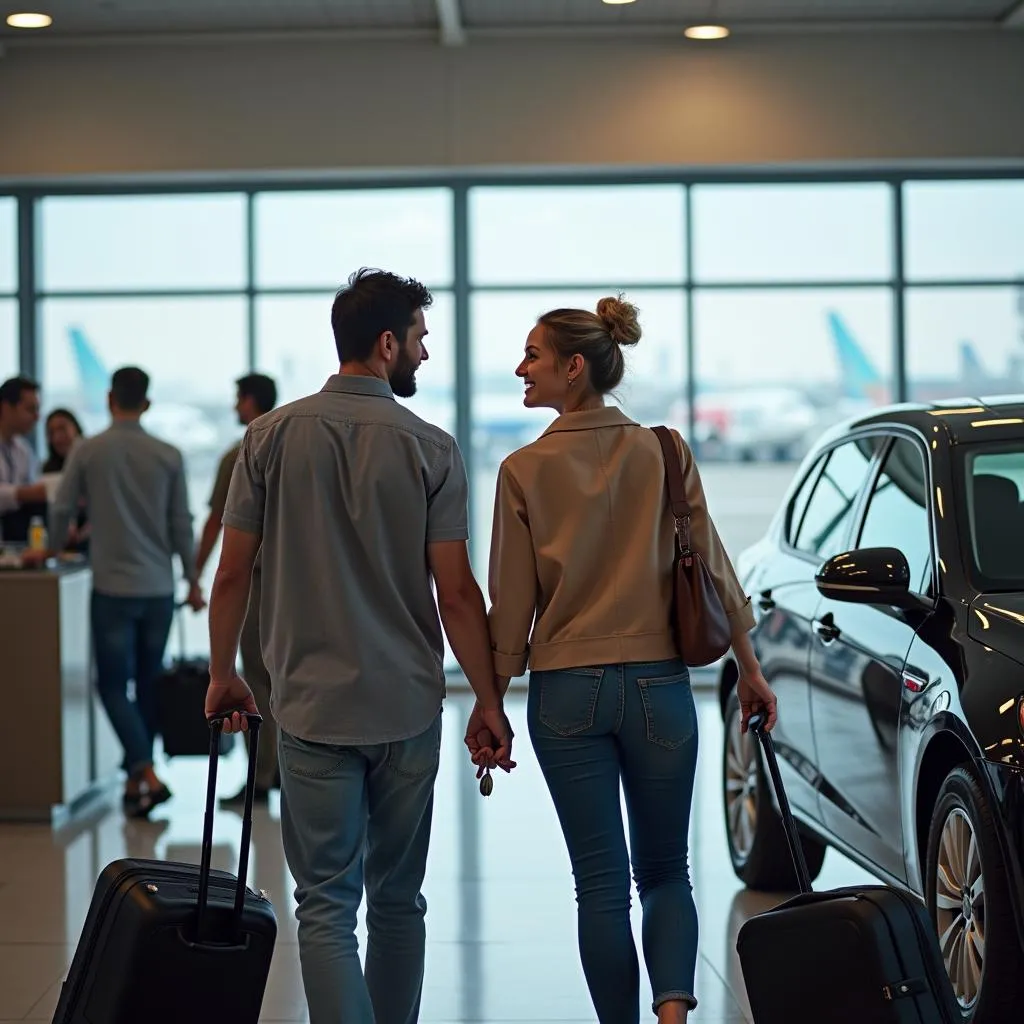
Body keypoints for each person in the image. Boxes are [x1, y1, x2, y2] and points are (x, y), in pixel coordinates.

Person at [205, 267, 515, 1024]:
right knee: (399, 901)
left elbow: (234, 570)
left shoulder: (268, 438)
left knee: (325, 908)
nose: (425, 354)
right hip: (407, 706)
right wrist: (489, 697)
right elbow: (456, 593)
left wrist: (223, 674)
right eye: (420, 339)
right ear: (387, 344)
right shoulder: (431, 448)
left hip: (309, 707)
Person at [466, 297, 778, 1024]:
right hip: (662, 688)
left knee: (600, 884)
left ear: (574, 368)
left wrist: (491, 700)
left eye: (532, 355)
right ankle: (674, 1014)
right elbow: (715, 570)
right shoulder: (664, 450)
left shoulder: (522, 469)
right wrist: (750, 667)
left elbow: (511, 608)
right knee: (668, 871)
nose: (520, 367)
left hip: (567, 692)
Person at [49, 367, 206, 818]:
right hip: (157, 589)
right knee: (149, 682)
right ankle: (141, 777)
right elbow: (182, 523)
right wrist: (192, 578)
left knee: (114, 685)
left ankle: (143, 771)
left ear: (109, 398)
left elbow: (62, 506)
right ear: (148, 403)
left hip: (112, 587)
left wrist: (58, 547)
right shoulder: (168, 454)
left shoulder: (88, 451)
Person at [195, 373, 280, 807]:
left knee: (255, 680)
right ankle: (282, 769)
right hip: (292, 582)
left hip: (257, 581)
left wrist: (194, 571)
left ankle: (261, 777)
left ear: (248, 401)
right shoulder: (291, 446)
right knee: (282, 678)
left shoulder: (242, 452)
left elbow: (218, 522)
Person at [0, 376, 48, 543]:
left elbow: (32, 486)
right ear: (6, 408)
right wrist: (22, 494)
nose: (36, 417)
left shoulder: (23, 449)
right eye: (30, 409)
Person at [43, 408, 89, 552]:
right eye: (52, 433)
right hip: (61, 541)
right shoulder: (47, 470)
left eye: (62, 429)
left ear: (76, 428)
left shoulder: (92, 462)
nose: (58, 437)